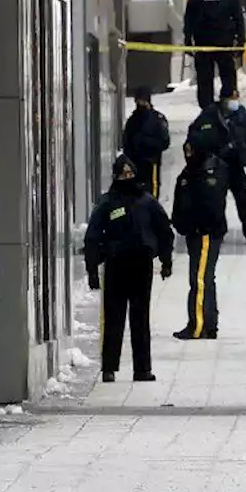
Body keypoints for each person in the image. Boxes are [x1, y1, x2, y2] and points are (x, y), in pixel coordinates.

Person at [84, 155, 175, 383]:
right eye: (123, 174)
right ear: (115, 176)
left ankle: (142, 369)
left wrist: (166, 260)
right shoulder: (107, 203)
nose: (127, 178)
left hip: (142, 265)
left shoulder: (147, 202)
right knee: (113, 319)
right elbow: (93, 237)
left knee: (140, 317)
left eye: (130, 174)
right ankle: (109, 367)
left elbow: (164, 231)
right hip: (116, 265)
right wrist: (92, 269)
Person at [171, 126, 230, 341]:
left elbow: (209, 206)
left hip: (205, 234)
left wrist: (196, 226)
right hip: (196, 233)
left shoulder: (207, 174)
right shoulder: (192, 173)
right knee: (203, 278)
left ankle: (198, 325)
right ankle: (207, 322)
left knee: (200, 279)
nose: (187, 155)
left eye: (190, 151)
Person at [184, 0, 246, 110]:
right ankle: (207, 109)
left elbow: (238, 18)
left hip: (224, 44)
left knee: (228, 76)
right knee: (204, 79)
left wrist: (241, 41)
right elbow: (189, 19)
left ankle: (228, 103)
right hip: (203, 46)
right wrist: (188, 41)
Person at [222, 90, 246, 245]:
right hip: (219, 165)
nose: (235, 101)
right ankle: (218, 231)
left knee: (243, 200)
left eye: (236, 97)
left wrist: (245, 155)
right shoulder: (214, 114)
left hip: (236, 165)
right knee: (216, 201)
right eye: (232, 98)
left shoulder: (242, 115)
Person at [122, 86, 171, 199]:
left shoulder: (157, 119)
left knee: (151, 196)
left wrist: (146, 143)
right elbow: (126, 143)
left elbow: (164, 142)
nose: (140, 103)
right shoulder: (132, 121)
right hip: (135, 165)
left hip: (151, 164)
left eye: (142, 100)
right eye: (138, 101)